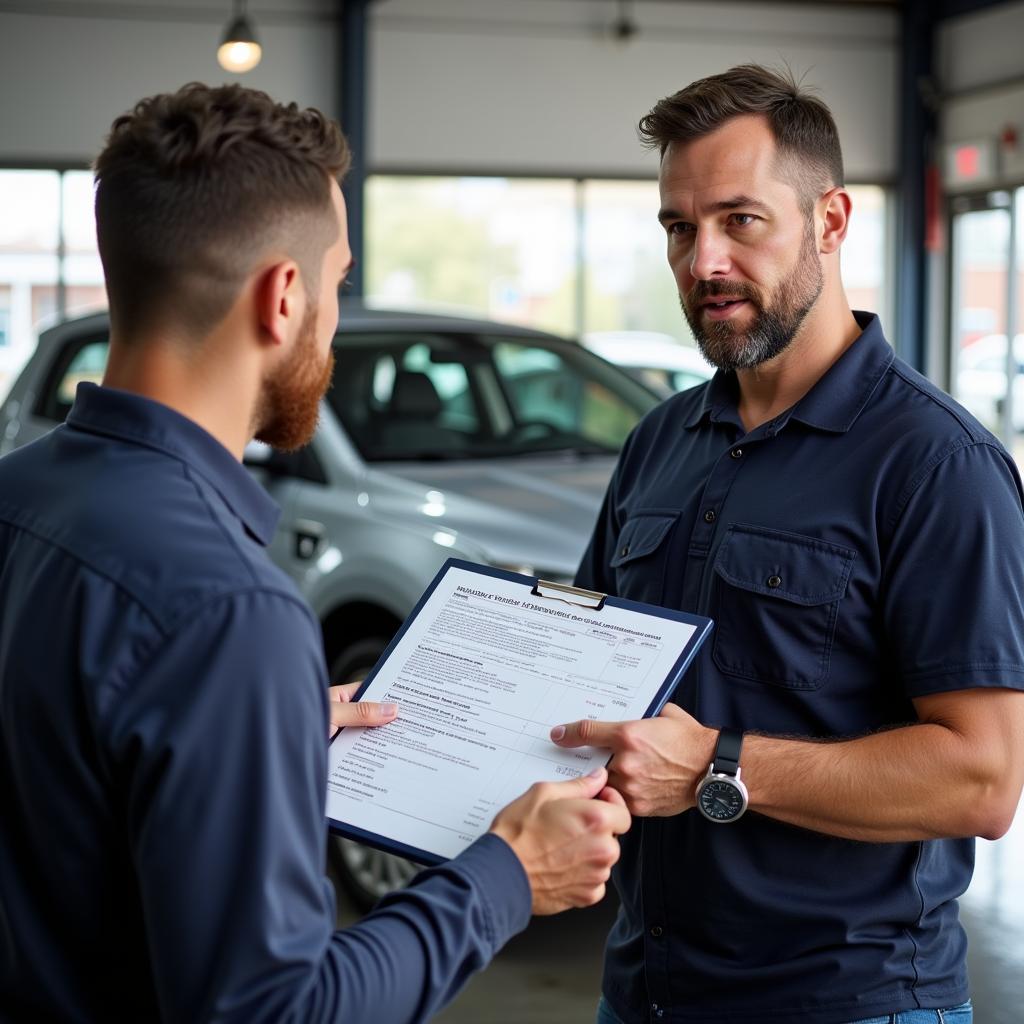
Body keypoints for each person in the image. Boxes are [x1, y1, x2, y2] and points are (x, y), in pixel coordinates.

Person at [0, 83, 631, 1023]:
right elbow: (277, 1012)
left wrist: (263, 728)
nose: (332, 315)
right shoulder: (228, 610)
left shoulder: (18, 496)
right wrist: (506, 874)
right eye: (336, 281)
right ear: (283, 297)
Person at [550, 64, 1024, 1024]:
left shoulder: (937, 464)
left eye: (740, 220)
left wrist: (720, 763)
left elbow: (984, 777)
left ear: (832, 221)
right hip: (645, 989)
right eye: (680, 229)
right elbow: (588, 680)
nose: (703, 261)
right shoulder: (659, 440)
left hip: (850, 1000)